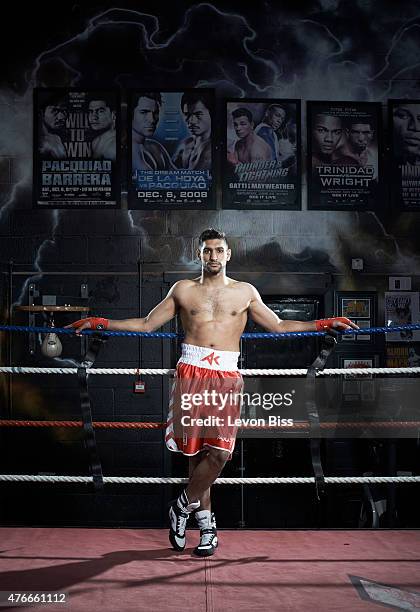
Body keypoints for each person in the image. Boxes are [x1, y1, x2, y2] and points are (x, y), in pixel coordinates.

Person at [67, 228, 358, 557]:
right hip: (190, 373)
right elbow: (147, 324)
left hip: (226, 376)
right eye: (207, 251)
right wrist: (100, 322)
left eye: (219, 250)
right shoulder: (183, 290)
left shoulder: (245, 292)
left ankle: (180, 507)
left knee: (219, 454)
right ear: (199, 254)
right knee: (196, 457)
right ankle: (207, 528)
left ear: (228, 254)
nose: (213, 256)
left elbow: (278, 326)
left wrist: (322, 324)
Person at [131, 92, 175, 171]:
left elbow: (178, 176)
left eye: (155, 113)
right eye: (144, 112)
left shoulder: (155, 146)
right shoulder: (130, 148)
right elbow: (146, 180)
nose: (152, 120)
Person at [172, 92, 212, 170]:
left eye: (198, 114)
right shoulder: (186, 143)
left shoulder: (210, 150)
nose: (191, 121)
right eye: (187, 114)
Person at [87, 95, 116, 161]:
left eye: (100, 111)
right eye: (91, 112)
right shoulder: (96, 141)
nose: (94, 117)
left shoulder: (113, 145)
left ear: (113, 115)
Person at [39, 95, 68, 159]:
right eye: (54, 111)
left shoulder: (56, 138)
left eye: (64, 111)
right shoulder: (41, 143)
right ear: (41, 113)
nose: (61, 117)